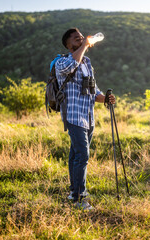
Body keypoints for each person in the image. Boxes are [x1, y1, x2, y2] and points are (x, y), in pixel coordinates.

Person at [55, 28, 115, 210]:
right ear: (68, 44)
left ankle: (74, 192)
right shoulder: (61, 61)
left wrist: (105, 98)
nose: (80, 39)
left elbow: (94, 91)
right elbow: (70, 66)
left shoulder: (87, 62)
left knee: (75, 155)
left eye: (81, 37)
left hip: (88, 117)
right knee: (83, 155)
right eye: (76, 38)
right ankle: (80, 198)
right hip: (73, 116)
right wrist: (85, 46)